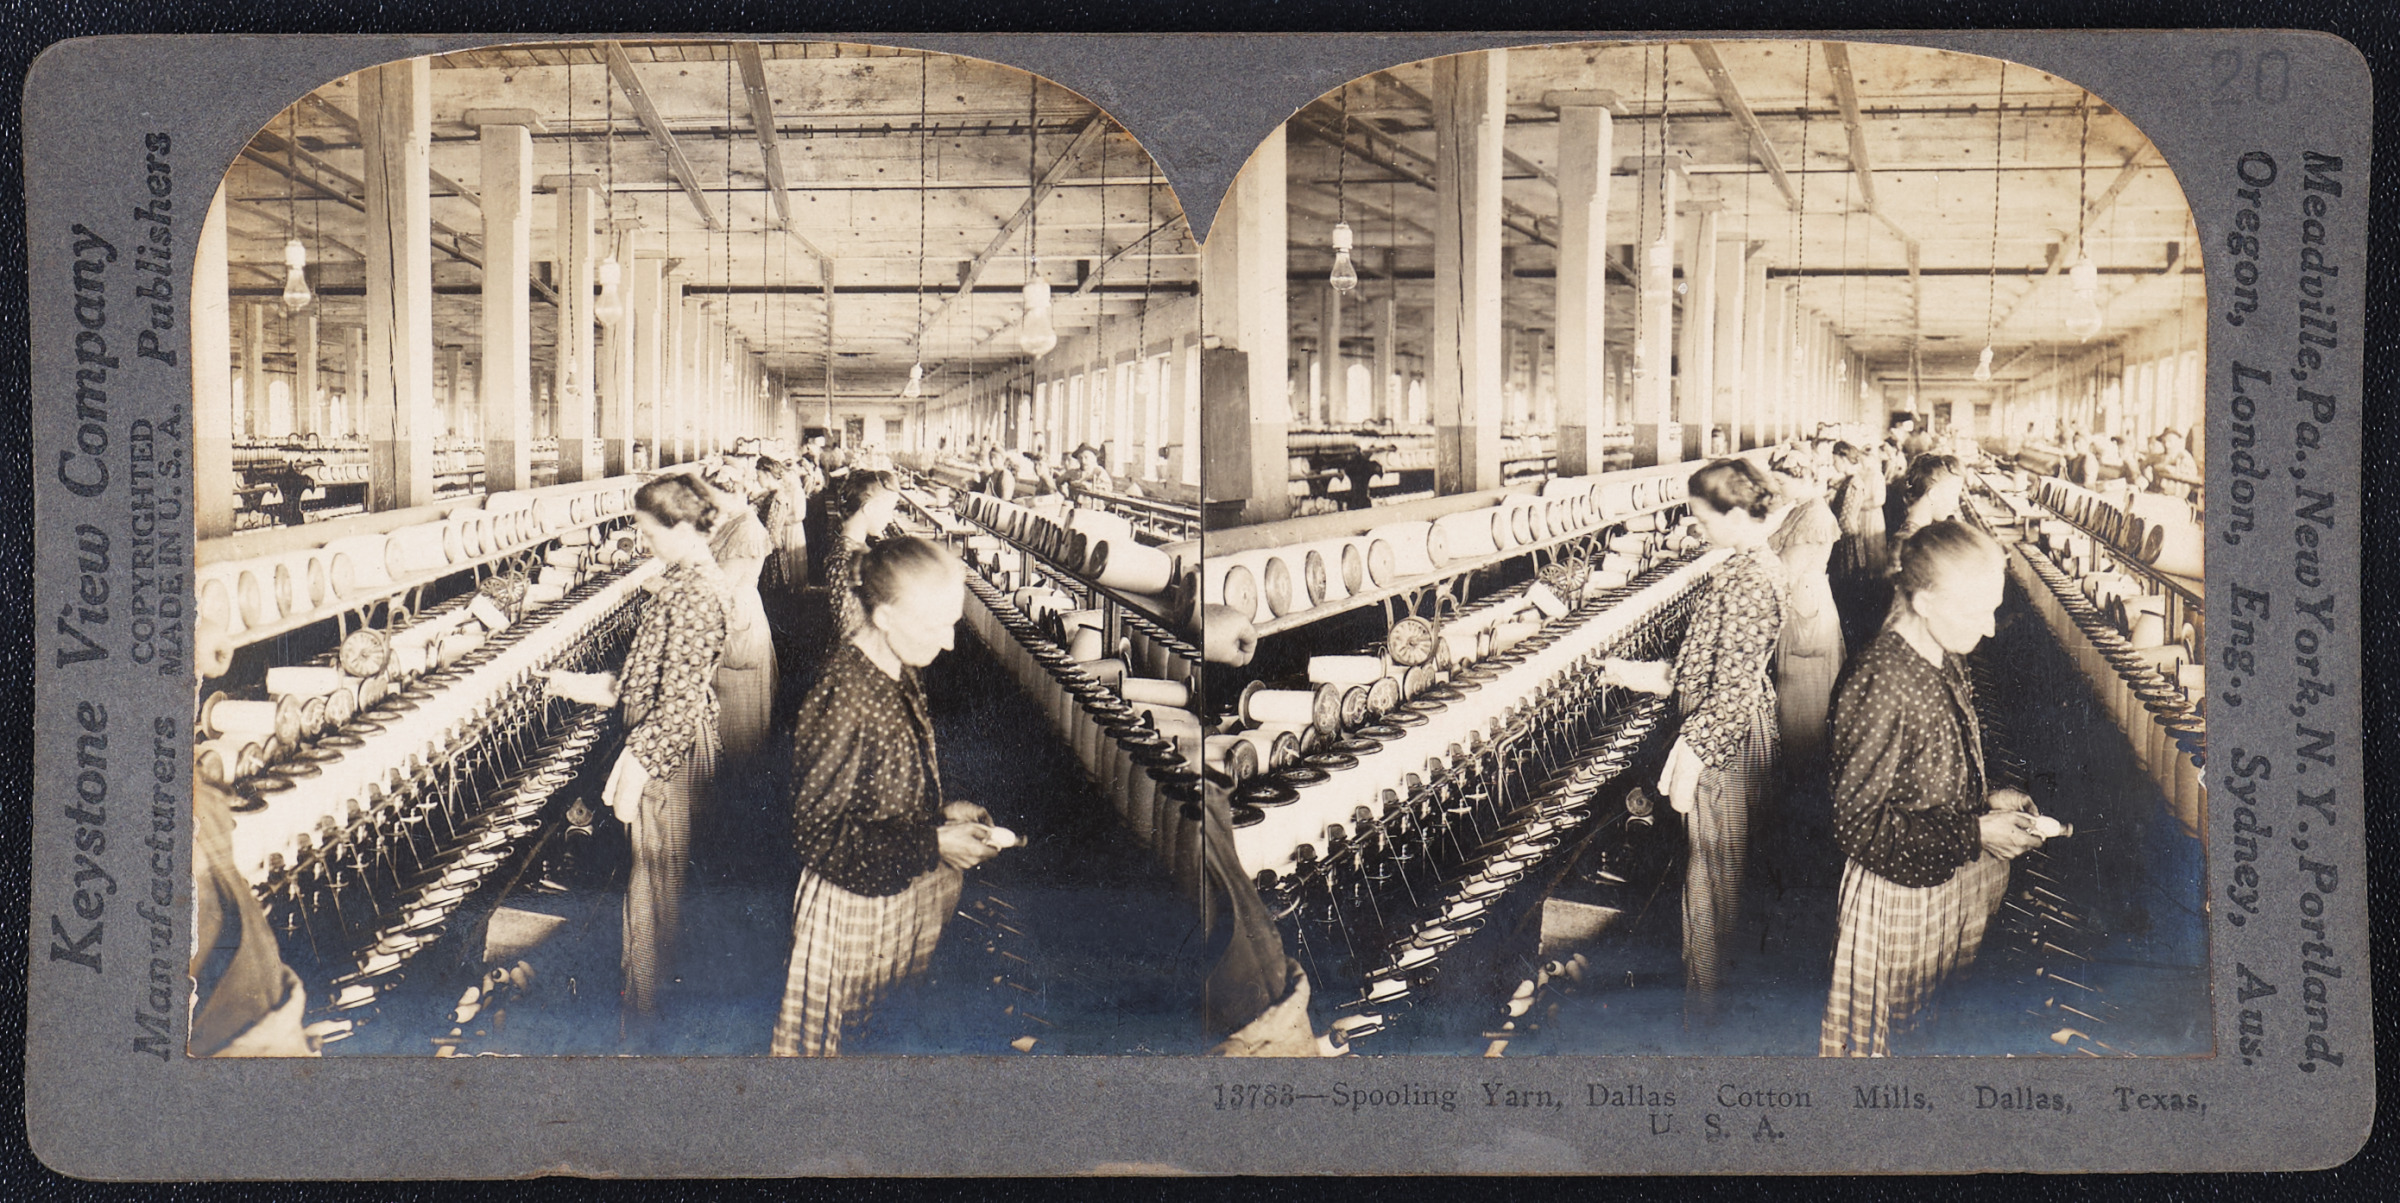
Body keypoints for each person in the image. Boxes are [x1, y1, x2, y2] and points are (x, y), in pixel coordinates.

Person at [1820, 521, 2047, 1056]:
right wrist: (1975, 832)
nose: (1990, 629)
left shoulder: (1942, 656)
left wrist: (1987, 798)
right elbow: (1858, 826)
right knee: (1885, 1054)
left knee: (1921, 1035)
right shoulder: (1880, 677)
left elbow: (1923, 770)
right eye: (1977, 612)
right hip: (1897, 900)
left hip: (1937, 890)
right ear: (1923, 601)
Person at [771, 537, 1003, 1056]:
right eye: (934, 626)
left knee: (877, 1041)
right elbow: (818, 837)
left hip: (893, 896)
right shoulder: (843, 693)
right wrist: (934, 844)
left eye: (952, 623)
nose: (948, 643)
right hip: (854, 908)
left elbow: (878, 783)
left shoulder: (899, 668)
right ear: (885, 615)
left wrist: (938, 812)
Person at [1602, 459, 1787, 1019]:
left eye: (1703, 518)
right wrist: (1622, 672)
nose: (1697, 527)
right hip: (1727, 732)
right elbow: (1703, 667)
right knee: (1713, 875)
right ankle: (1707, 998)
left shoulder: (1752, 580)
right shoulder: (1745, 565)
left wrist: (1690, 760)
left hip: (1725, 745)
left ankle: (1707, 1016)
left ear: (1734, 514)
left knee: (1715, 881)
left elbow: (1728, 692)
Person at [546, 474, 728, 1036]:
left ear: (678, 527)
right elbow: (642, 681)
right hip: (664, 748)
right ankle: (647, 1006)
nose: (642, 543)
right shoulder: (681, 579)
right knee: (651, 887)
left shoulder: (697, 593)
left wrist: (634, 771)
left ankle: (650, 1023)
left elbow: (673, 706)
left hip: (669, 760)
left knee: (657, 891)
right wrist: (567, 685)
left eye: (648, 532)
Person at [1766, 449, 1844, 776]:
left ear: (1802, 478)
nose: (1777, 489)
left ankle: (1802, 785)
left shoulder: (1813, 516)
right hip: (1803, 605)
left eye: (1782, 482)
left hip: (1805, 613)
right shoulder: (1800, 508)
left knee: (1803, 708)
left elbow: (1783, 571)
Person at [700, 465, 778, 765]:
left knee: (736, 705)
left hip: (737, 616)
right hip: (729, 612)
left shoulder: (746, 529)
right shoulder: (732, 521)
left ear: (733, 493)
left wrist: (667, 588)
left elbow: (719, 584)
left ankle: (737, 770)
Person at [827, 469, 900, 641]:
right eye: (889, 510)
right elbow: (848, 629)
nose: (890, 519)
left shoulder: (853, 544)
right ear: (869, 508)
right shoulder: (844, 558)